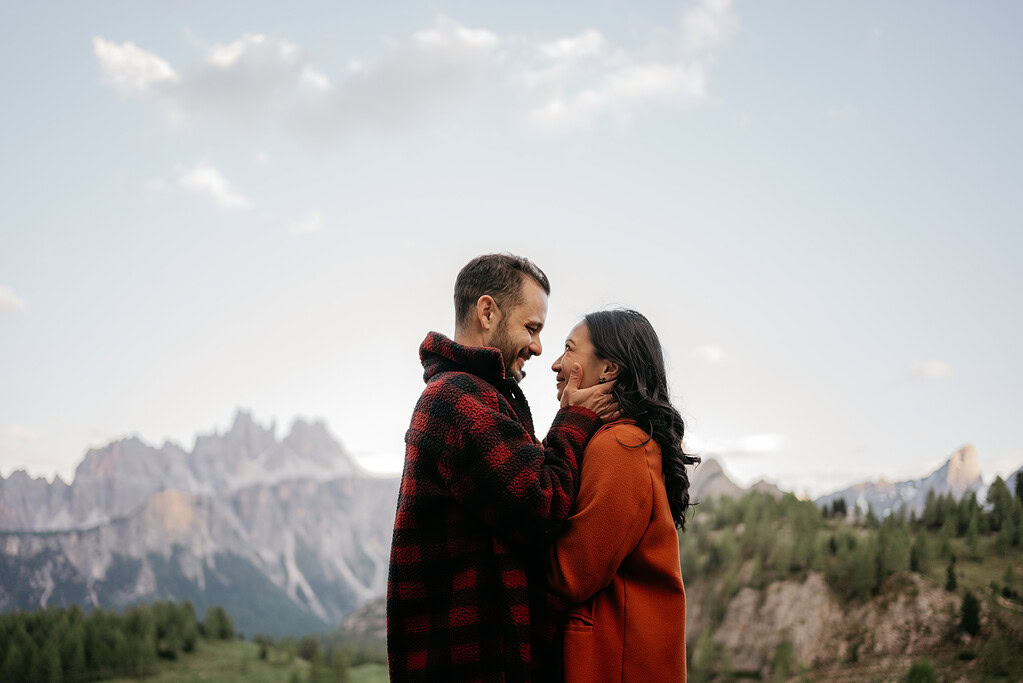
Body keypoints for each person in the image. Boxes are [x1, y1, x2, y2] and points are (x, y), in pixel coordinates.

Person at [387, 253, 618, 682]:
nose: (537, 347)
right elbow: (541, 504)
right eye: (531, 328)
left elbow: (525, 485)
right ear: (488, 312)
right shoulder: (456, 399)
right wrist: (575, 416)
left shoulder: (481, 397)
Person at [547, 309, 698, 682]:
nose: (554, 364)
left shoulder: (620, 446)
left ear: (609, 370)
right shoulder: (615, 442)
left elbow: (573, 574)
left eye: (568, 349)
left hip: (615, 666)